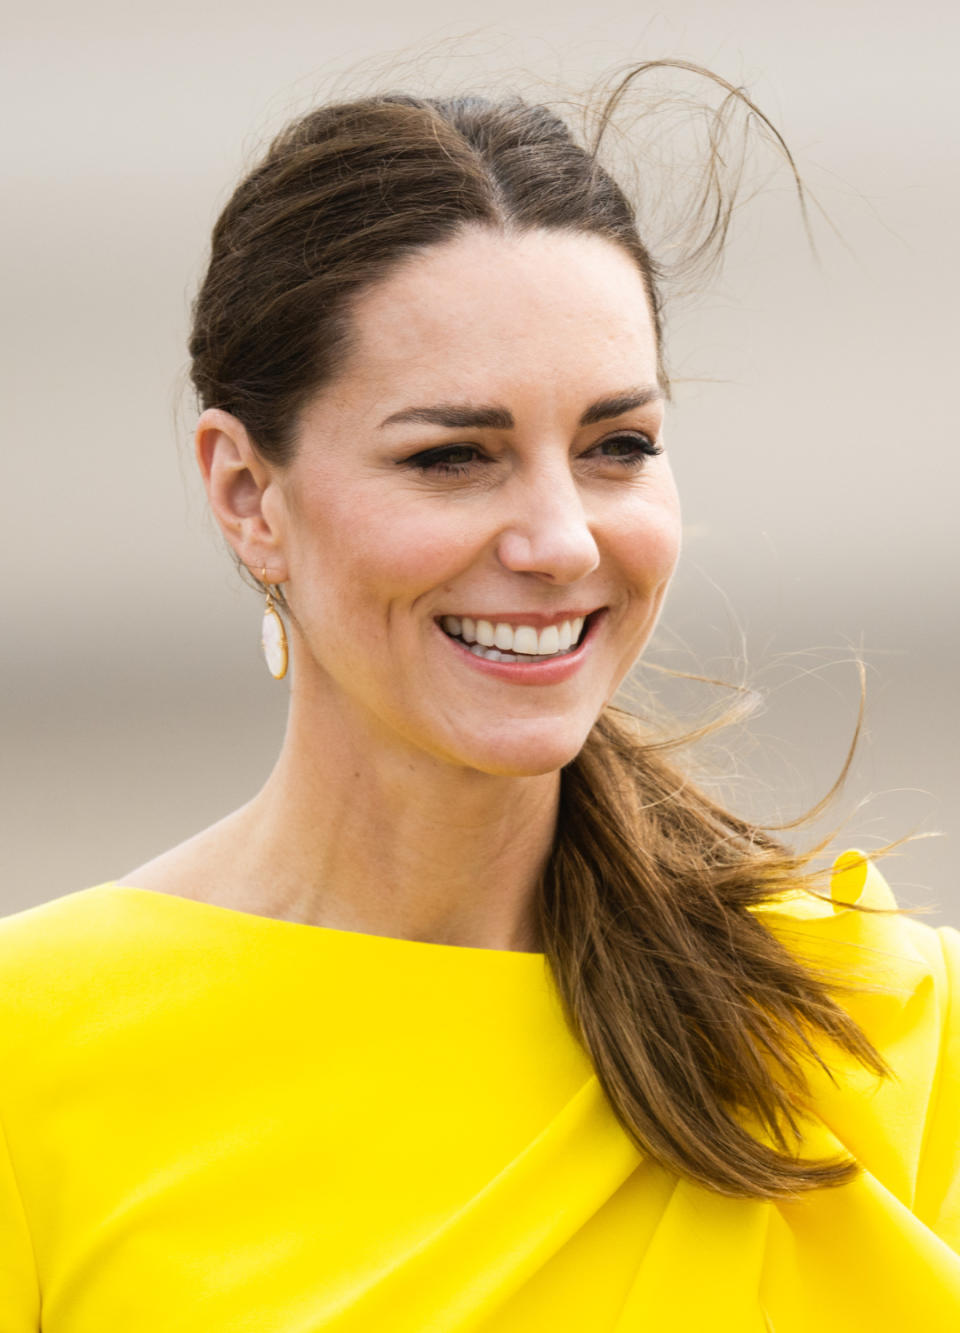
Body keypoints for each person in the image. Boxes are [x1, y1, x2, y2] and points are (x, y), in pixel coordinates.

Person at [0, 60, 957, 1332]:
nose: (559, 541)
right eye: (453, 456)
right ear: (245, 494)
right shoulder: (32, 1054)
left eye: (618, 446)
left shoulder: (865, 1018)